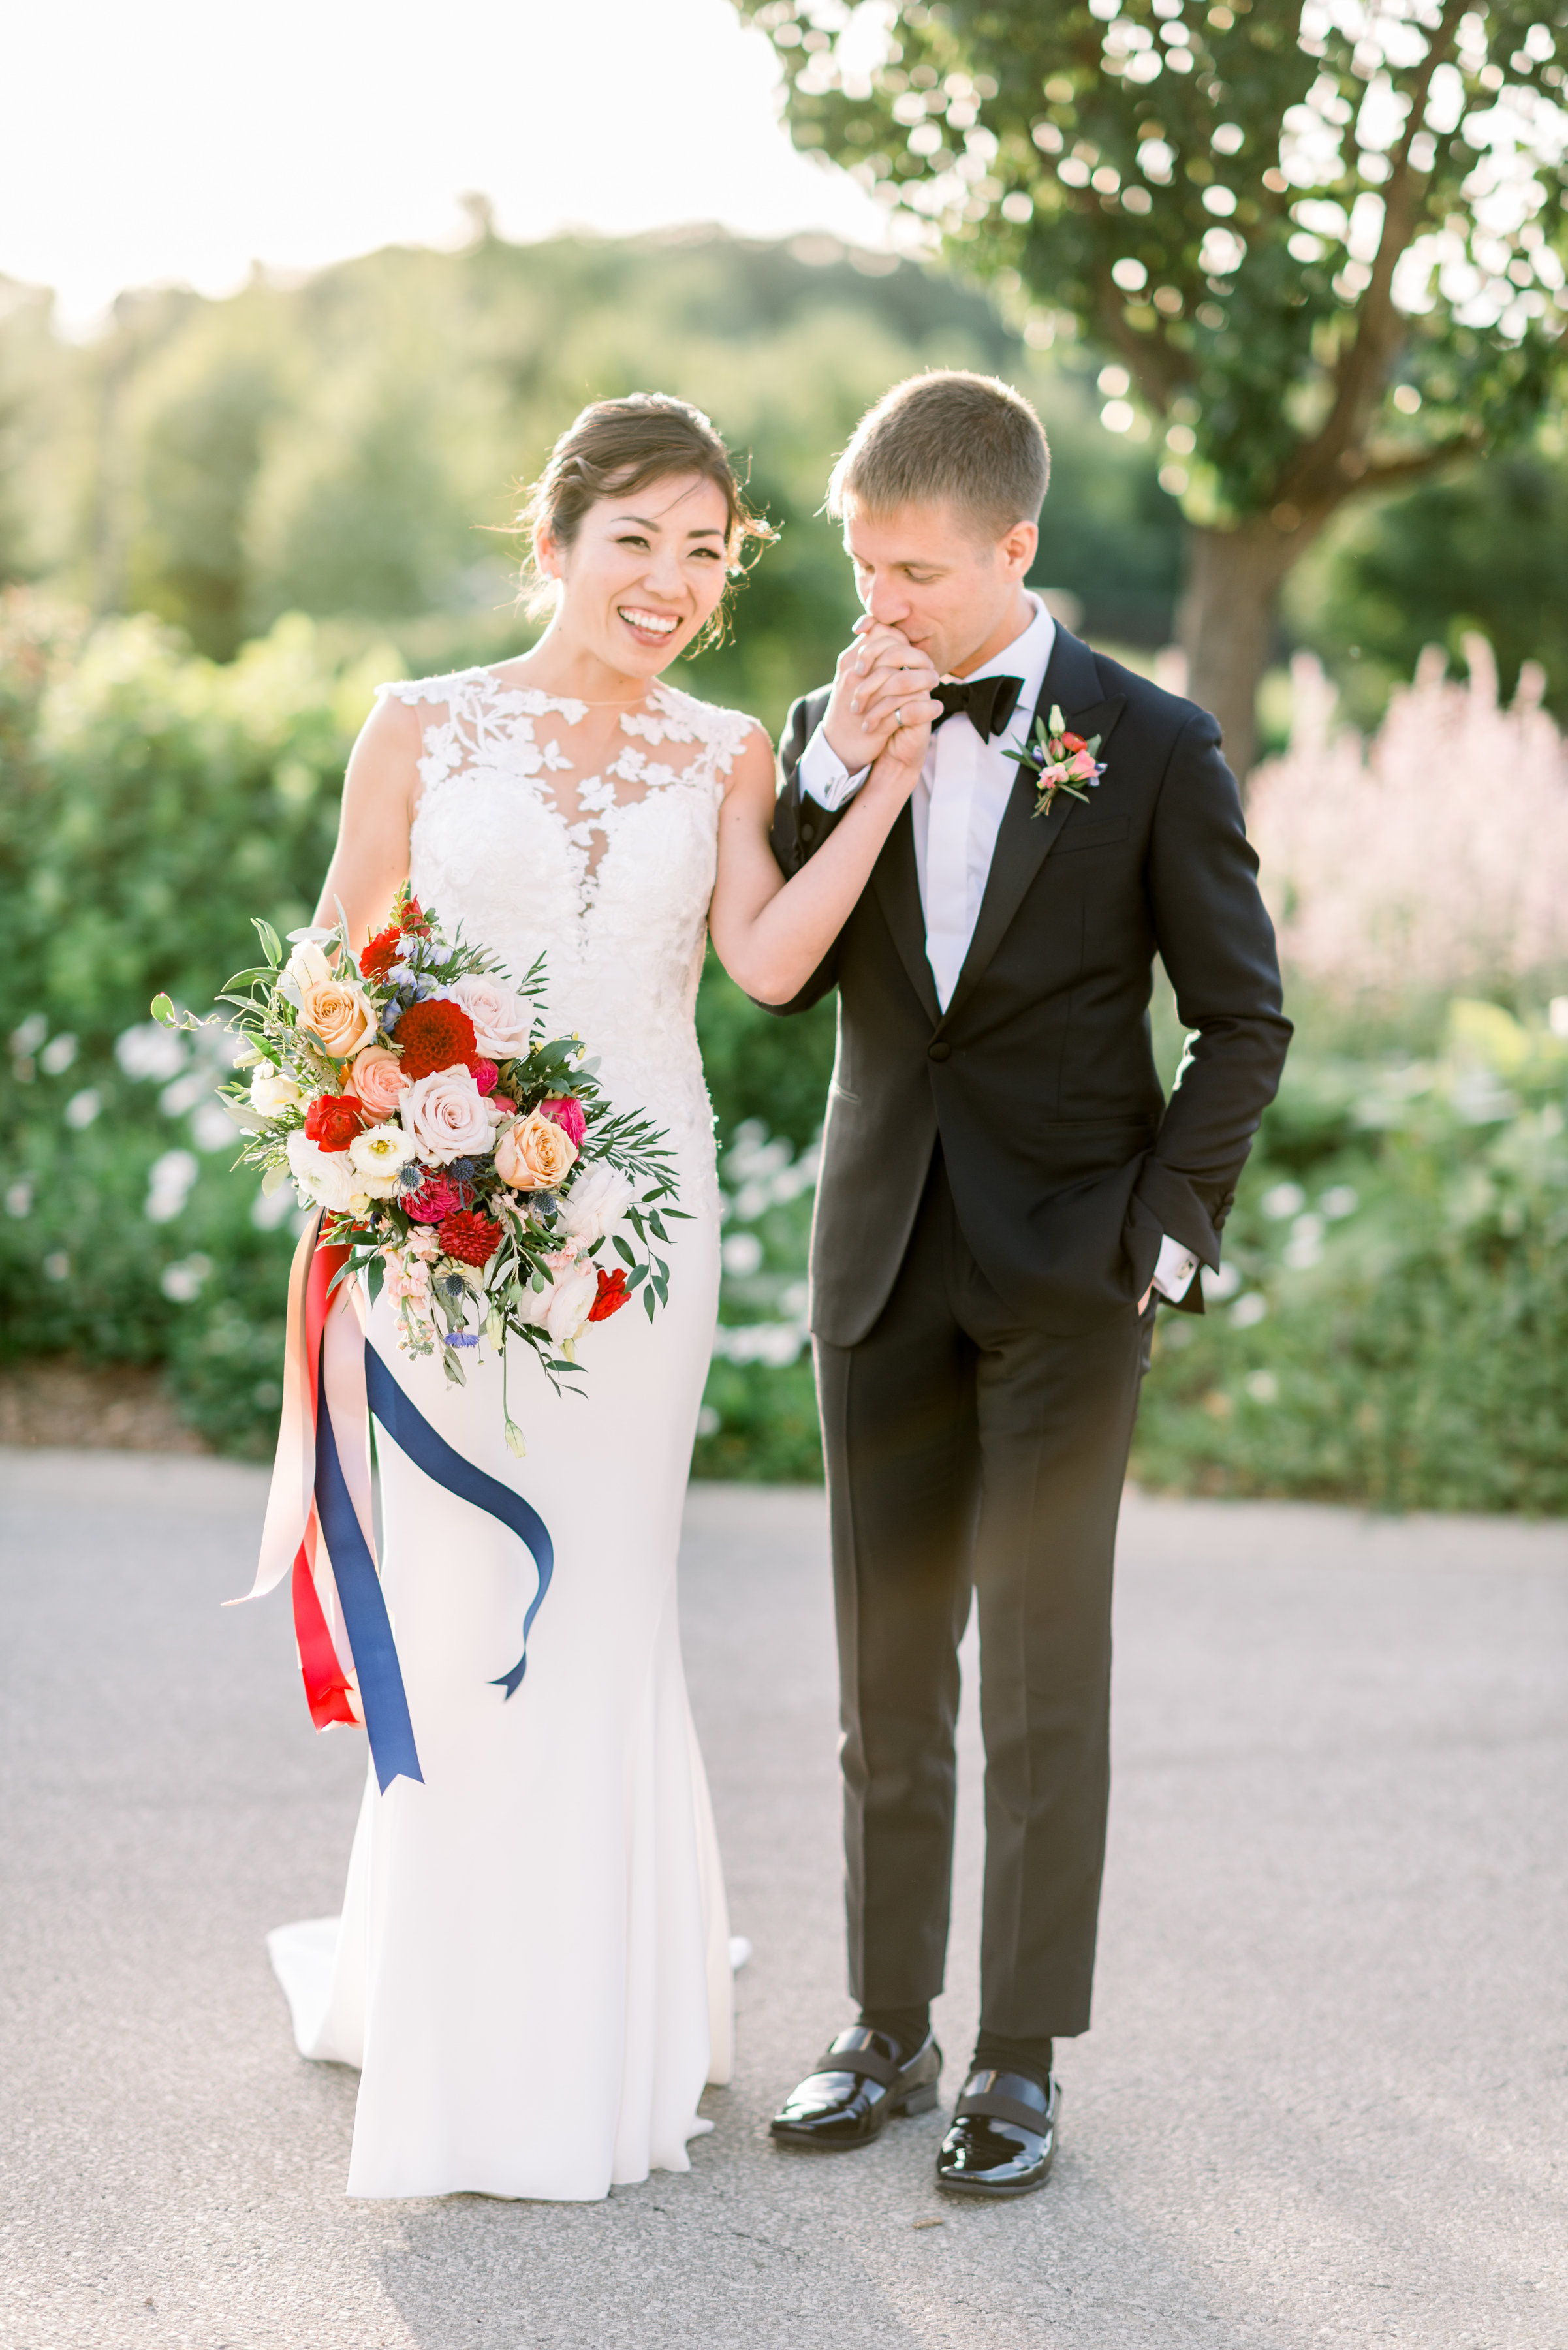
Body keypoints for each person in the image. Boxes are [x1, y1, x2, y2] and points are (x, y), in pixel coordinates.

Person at [264, 392, 943, 2201]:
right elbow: (339, 973)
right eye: (637, 537)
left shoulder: (720, 756)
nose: (668, 580)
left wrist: (875, 793)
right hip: (444, 1228)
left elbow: (766, 967)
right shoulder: (417, 725)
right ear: (554, 535)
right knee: (464, 1586)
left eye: (706, 551)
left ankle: (596, 2022)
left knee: (606, 1606)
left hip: (638, 1228)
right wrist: (385, 1143)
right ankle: (459, 2011)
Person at [762, 370, 1291, 2198]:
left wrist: (1167, 1227)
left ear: (1014, 546)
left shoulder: (1150, 744)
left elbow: (1241, 1016)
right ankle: (882, 2026)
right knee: (882, 1676)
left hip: (1072, 1277)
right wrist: (834, 761)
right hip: (880, 1256)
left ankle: (1016, 2062)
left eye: (911, 572)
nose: (875, 608)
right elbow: (767, 932)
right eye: (857, 565)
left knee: (1045, 1682)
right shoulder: (821, 718)